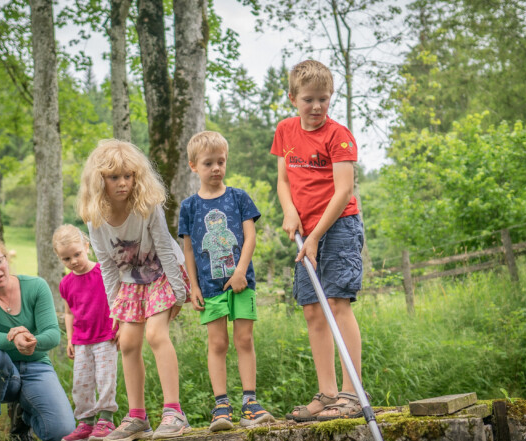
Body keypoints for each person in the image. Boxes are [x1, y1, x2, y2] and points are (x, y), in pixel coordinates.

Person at [77, 139, 192, 440]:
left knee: (156, 334)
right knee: (127, 342)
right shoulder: (95, 217)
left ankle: (174, 412)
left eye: (128, 176)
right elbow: (106, 264)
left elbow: (166, 249)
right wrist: (116, 307)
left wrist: (179, 293)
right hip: (129, 281)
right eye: (114, 177)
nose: (123, 183)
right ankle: (137, 416)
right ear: (99, 179)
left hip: (162, 273)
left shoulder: (146, 205)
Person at [271, 60, 366, 422]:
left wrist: (314, 236)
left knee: (338, 303)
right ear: (293, 97)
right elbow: (283, 180)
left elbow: (343, 192)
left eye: (323, 100)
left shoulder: (338, 135)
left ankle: (351, 392)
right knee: (313, 309)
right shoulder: (285, 130)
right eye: (308, 99)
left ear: (330, 98)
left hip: (338, 225)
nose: (315, 107)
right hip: (304, 230)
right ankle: (327, 393)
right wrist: (289, 211)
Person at [178, 131, 276, 432]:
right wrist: (192, 286)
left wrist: (240, 272)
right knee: (217, 343)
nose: (216, 168)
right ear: (194, 166)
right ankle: (221, 405)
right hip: (208, 288)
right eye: (208, 163)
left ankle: (250, 402)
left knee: (244, 340)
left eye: (221, 161)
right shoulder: (189, 207)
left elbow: (249, 237)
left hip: (241, 284)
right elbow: (190, 249)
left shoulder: (239, 197)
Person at [0, 236, 75, 441]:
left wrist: (32, 341)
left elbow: (52, 333)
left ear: (6, 259)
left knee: (63, 432)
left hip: (36, 367)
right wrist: (14, 338)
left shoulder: (36, 286)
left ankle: (24, 419)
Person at [53, 224, 118, 441]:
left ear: (87, 247)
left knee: (105, 378)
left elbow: (118, 300)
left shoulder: (104, 273)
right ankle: (86, 422)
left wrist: (120, 325)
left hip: (105, 336)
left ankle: (106, 419)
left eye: (77, 254)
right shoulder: (65, 283)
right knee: (81, 382)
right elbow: (69, 313)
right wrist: (70, 338)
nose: (73, 261)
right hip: (81, 340)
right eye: (66, 259)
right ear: (60, 258)